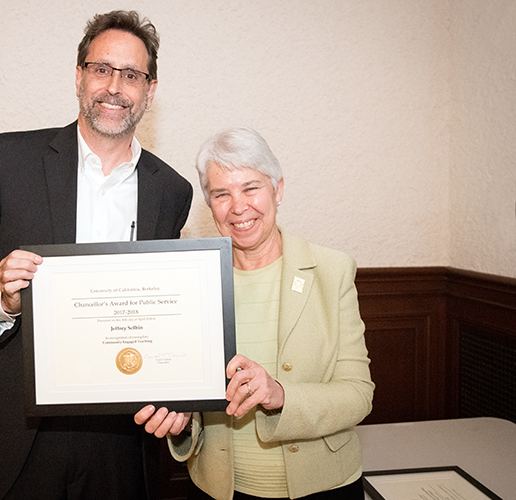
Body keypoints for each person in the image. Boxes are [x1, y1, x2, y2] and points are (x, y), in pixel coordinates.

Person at [0, 10, 193, 500]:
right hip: (13, 425)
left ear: (150, 91)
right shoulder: (8, 160)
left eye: (131, 75)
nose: (115, 86)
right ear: (79, 77)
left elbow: (165, 310)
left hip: (118, 436)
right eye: (101, 69)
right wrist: (3, 300)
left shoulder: (171, 190)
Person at [134, 127, 374, 500]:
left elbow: (359, 394)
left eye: (250, 188)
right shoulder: (188, 280)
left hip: (325, 487)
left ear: (277, 190)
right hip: (219, 491)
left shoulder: (332, 270)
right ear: (209, 204)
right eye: (221, 194)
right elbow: (187, 392)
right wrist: (182, 423)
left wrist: (280, 394)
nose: (238, 206)